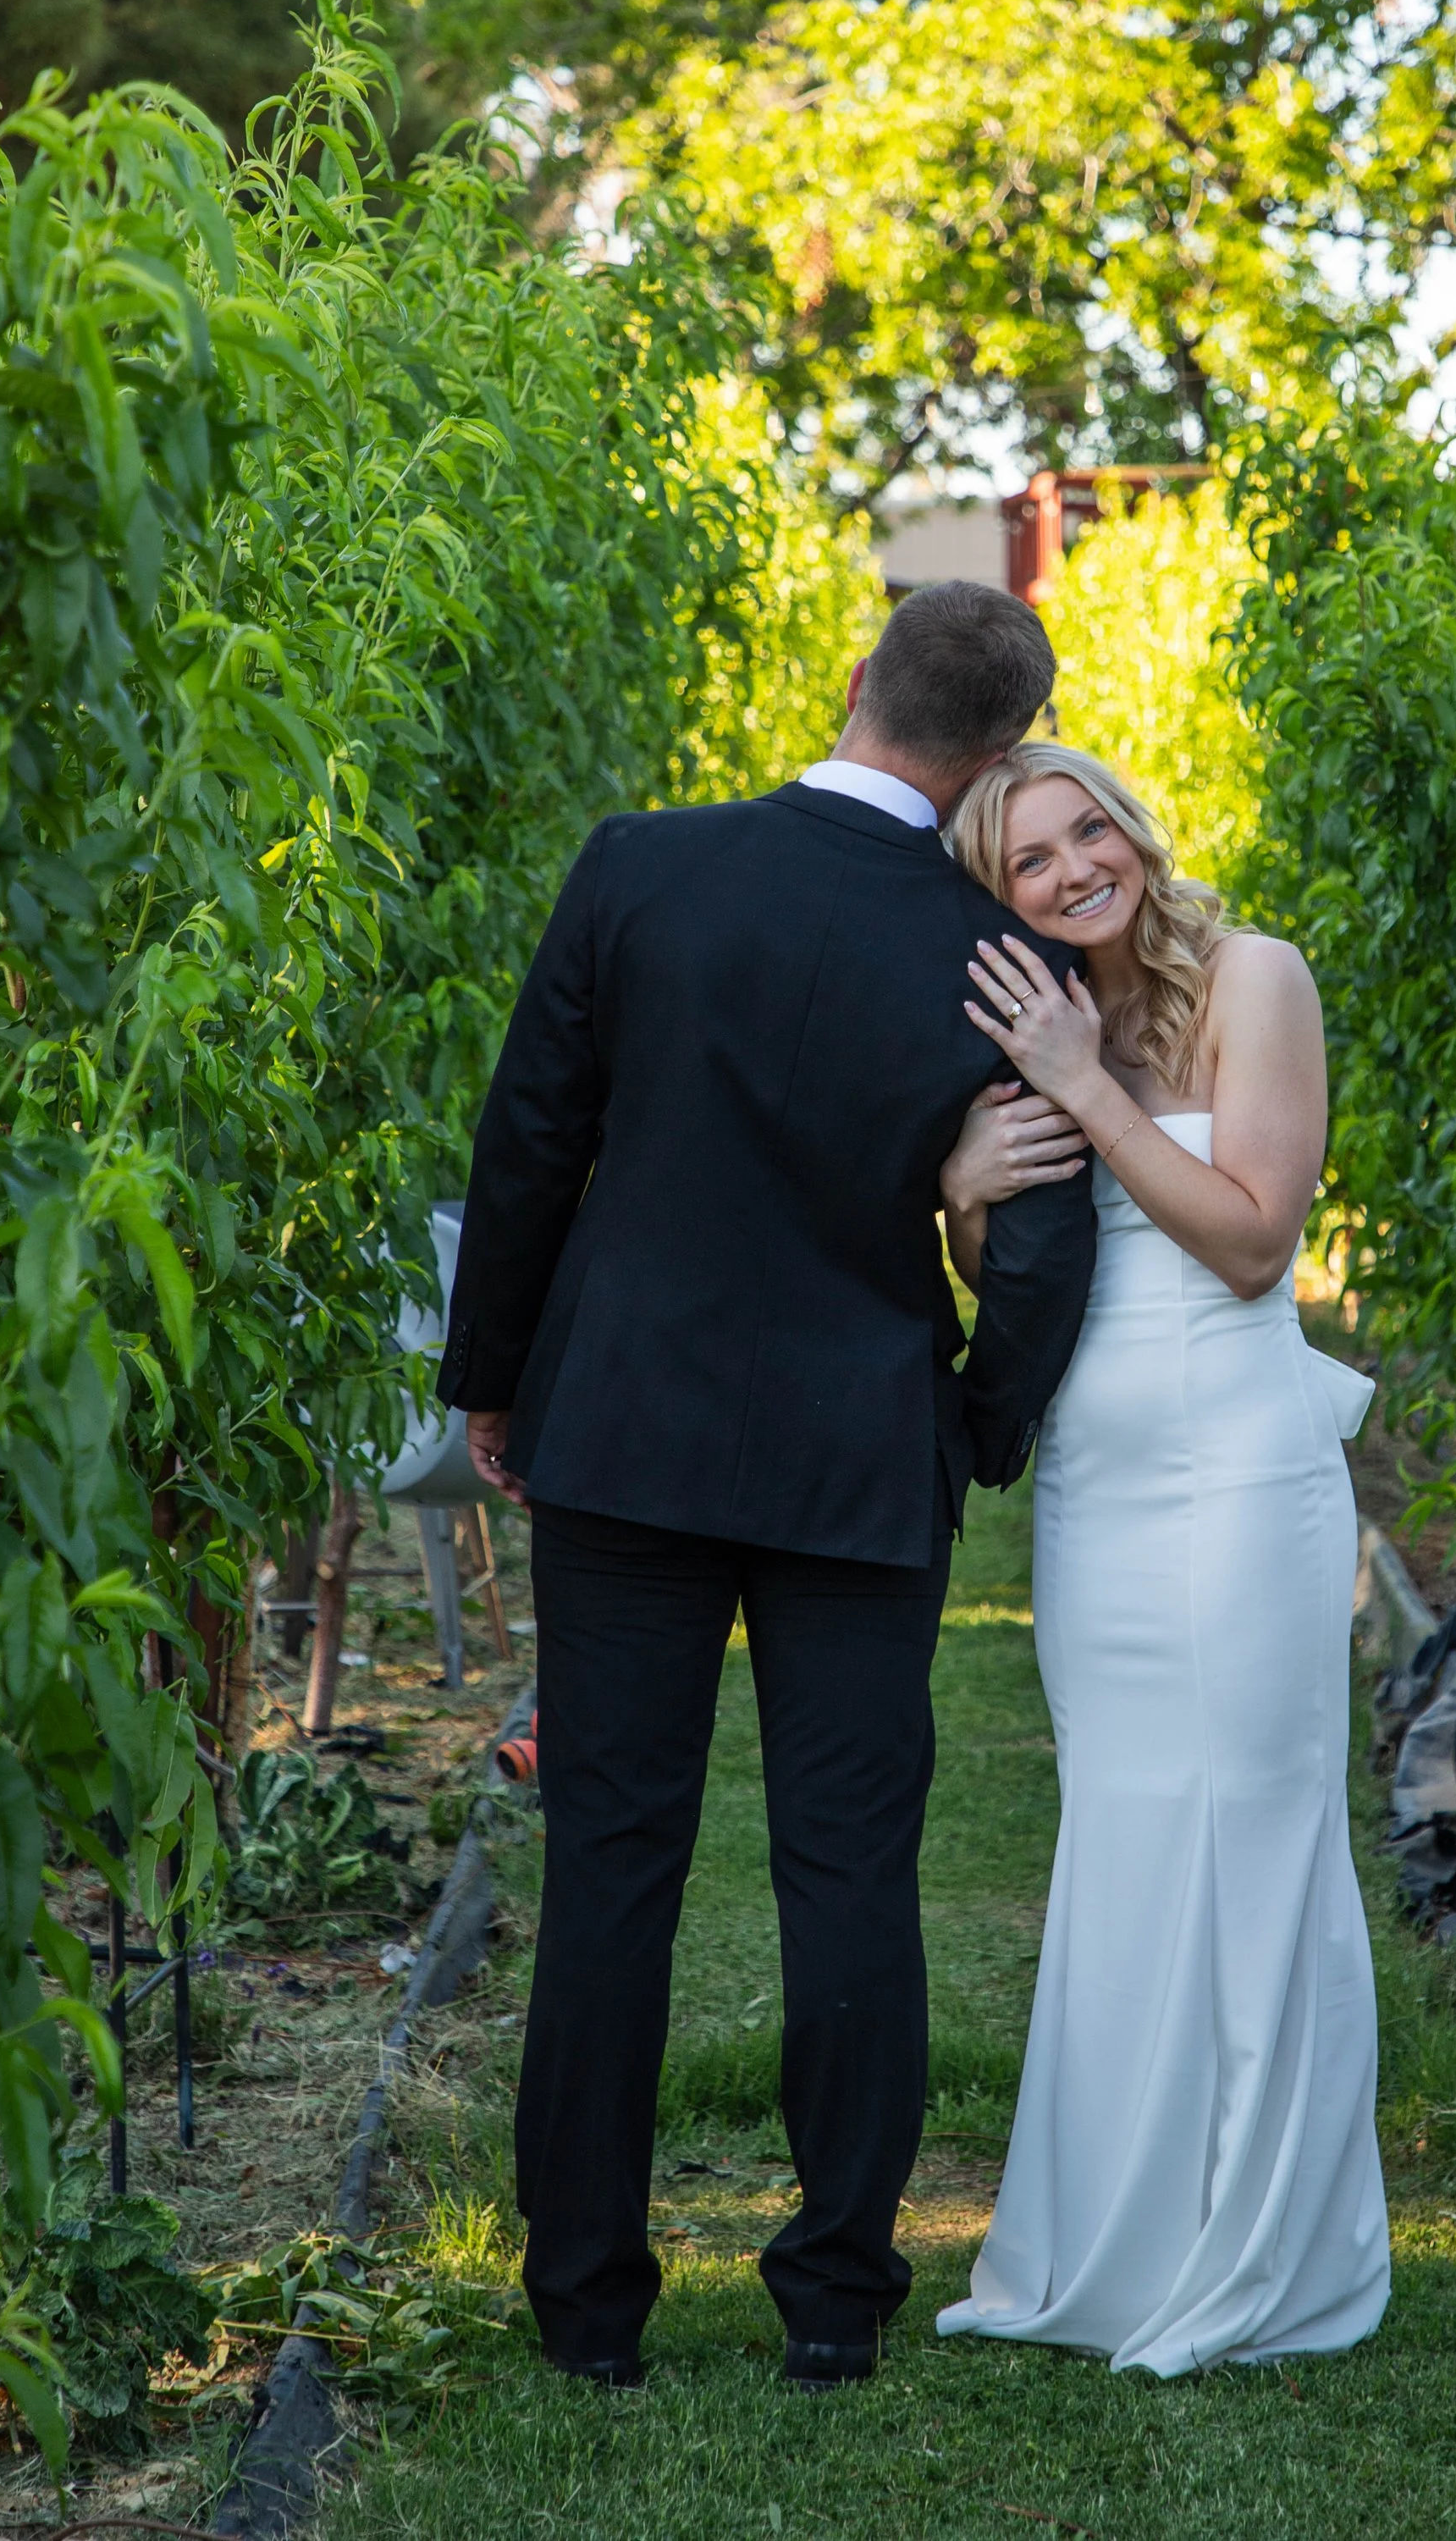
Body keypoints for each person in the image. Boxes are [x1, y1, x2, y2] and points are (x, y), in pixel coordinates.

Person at [437, 586, 1098, 2395]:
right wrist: (971, 1420)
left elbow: (532, 1134)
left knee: (614, 1868)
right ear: (1000, 752)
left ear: (856, 685)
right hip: (852, 1455)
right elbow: (1034, 1245)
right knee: (847, 1873)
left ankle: (584, 2309)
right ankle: (831, 2298)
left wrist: (494, 1376)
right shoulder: (1000, 958)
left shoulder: (639, 865)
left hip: (626, 1437)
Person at [932, 741, 1391, 2376]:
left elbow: (1256, 1236)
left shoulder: (1253, 979)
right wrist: (964, 1197)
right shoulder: (1035, 1024)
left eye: (1085, 833)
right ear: (1000, 904)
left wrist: (1085, 1085)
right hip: (1100, 1491)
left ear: (1132, 825)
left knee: (1255, 1841)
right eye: (1029, 866)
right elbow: (1022, 1276)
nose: (1072, 873)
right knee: (1123, 1842)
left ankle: (1268, 2255)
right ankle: (1110, 2249)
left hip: (1243, 1478)